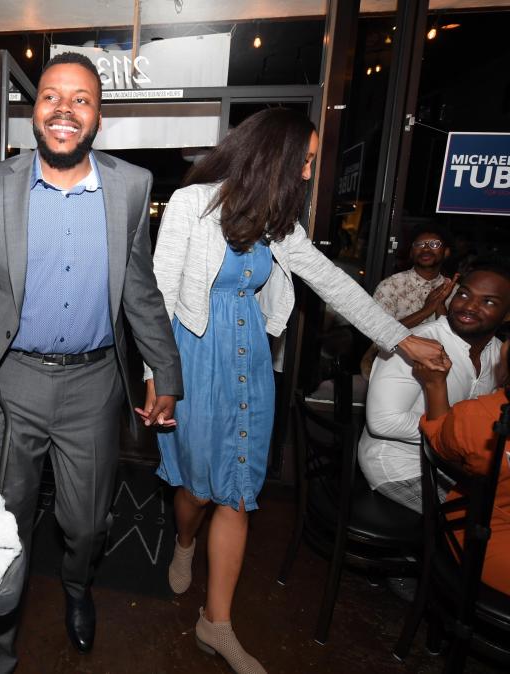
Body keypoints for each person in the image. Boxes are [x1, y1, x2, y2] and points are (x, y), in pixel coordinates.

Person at [146, 108, 447, 674]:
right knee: (198, 488)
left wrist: (401, 341)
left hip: (250, 365)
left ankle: (217, 623)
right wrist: (155, 375)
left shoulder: (279, 223)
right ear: (274, 155)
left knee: (237, 491)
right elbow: (160, 293)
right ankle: (185, 538)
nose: (309, 172)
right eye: (305, 160)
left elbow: (333, 281)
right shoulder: (193, 204)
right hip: (194, 358)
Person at [0, 52, 182, 669]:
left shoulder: (130, 187)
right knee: (0, 522)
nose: (64, 109)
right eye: (51, 97)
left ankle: (76, 586)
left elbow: (140, 291)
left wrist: (163, 373)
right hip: (9, 382)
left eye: (81, 99)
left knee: (86, 524)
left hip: (94, 387)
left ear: (97, 116)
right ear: (33, 111)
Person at [359, 263, 510, 511]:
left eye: (489, 302)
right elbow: (384, 422)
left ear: (506, 315)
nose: (470, 306)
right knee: (477, 523)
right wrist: (458, 437)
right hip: (400, 467)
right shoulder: (416, 343)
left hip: (456, 468)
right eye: (463, 294)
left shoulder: (498, 354)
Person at [414, 336, 509, 594]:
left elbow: (440, 444)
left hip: (479, 536)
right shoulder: (479, 417)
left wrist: (435, 386)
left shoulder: (477, 417)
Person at [360, 224, 458, 377]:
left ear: (446, 252)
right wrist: (426, 311)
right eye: (419, 244)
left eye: (434, 244)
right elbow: (379, 333)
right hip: (393, 366)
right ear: (412, 253)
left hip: (442, 368)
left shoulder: (455, 291)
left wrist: (439, 306)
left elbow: (456, 340)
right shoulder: (391, 285)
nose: (426, 249)